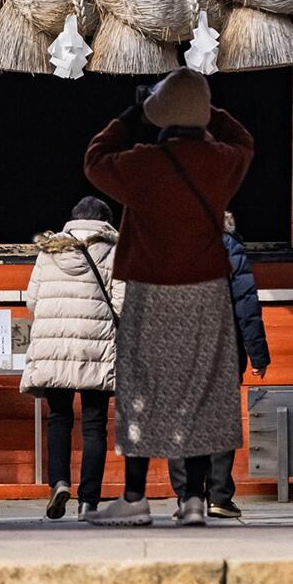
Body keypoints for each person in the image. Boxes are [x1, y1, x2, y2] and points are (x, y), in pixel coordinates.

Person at [79, 67, 256, 528]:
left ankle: (135, 496)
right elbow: (244, 141)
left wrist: (136, 112)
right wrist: (206, 112)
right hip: (206, 291)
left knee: (143, 389)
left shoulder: (140, 164)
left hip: (150, 288)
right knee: (200, 389)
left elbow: (95, 158)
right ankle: (194, 501)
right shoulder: (220, 163)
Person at [20, 196, 125, 520]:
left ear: (73, 219)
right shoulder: (113, 249)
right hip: (95, 348)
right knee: (94, 424)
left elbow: (32, 300)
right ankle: (88, 502)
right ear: (105, 222)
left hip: (53, 348)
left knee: (59, 418)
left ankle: (60, 482)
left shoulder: (49, 250)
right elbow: (122, 303)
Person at [166, 211, 269, 519]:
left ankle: (188, 498)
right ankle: (219, 497)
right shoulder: (230, 248)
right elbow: (246, 303)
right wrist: (258, 355)